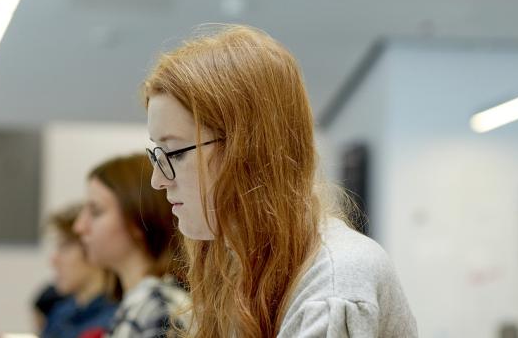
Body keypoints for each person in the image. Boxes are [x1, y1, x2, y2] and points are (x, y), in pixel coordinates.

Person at [143, 24, 418, 337]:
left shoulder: (334, 285)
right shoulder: (242, 266)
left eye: (174, 152)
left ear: (246, 149)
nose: (157, 180)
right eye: (158, 153)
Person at [74, 154, 190, 338]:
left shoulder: (158, 307)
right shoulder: (142, 302)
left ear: (138, 220)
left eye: (96, 211)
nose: (80, 226)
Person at [36, 204, 119, 338]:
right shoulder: (60, 313)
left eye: (64, 247)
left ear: (92, 248)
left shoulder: (115, 320)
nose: (54, 261)